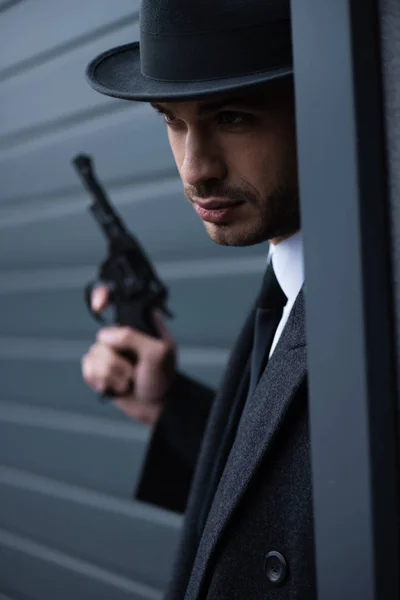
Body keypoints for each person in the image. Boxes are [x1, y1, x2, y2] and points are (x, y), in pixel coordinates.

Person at [81, 0, 315, 598]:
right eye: (171, 120)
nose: (194, 168)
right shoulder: (288, 281)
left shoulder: (366, 306)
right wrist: (168, 408)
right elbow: (275, 494)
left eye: (233, 117)